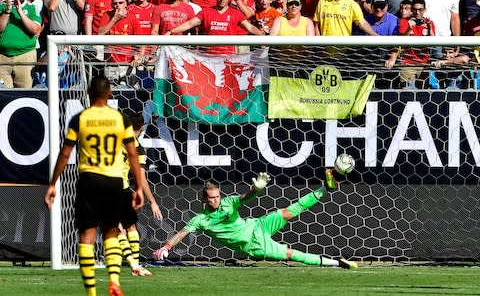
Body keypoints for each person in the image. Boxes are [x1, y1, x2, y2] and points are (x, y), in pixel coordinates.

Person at [44, 75, 145, 296]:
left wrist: (53, 183)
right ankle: (115, 282)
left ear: (89, 94)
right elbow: (132, 155)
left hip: (89, 180)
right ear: (109, 94)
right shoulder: (121, 119)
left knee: (87, 237)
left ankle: (91, 292)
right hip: (114, 183)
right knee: (111, 233)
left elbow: (65, 154)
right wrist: (138, 187)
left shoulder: (80, 118)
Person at [153, 172, 357, 269]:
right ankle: (336, 263)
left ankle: (325, 189)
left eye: (217, 196)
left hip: (256, 225)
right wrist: (167, 247)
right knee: (291, 254)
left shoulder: (229, 202)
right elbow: (183, 232)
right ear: (204, 199)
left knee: (288, 211)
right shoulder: (201, 220)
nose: (216, 200)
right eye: (211, 197)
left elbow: (245, 197)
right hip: (254, 244)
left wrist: (256, 189)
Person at [118, 112, 163, 277]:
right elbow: (141, 178)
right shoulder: (138, 148)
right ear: (141, 128)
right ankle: (135, 266)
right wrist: (152, 201)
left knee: (120, 229)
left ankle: (134, 266)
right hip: (121, 188)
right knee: (129, 227)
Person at [165, 0, 264, 54]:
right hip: (210, 55)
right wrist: (171, 31)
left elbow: (250, 27)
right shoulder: (206, 12)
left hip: (229, 56)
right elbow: (190, 23)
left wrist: (262, 36)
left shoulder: (235, 13)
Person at [385, 0, 435, 88]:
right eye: (415, 10)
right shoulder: (405, 21)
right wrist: (409, 29)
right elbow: (401, 42)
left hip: (424, 63)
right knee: (406, 94)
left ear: (425, 10)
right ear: (412, 10)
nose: (417, 12)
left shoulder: (429, 23)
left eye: (420, 10)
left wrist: (430, 28)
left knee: (423, 94)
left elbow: (433, 43)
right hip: (407, 64)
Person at [98, 0, 142, 84]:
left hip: (128, 63)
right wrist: (115, 19)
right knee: (112, 93)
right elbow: (100, 34)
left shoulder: (132, 17)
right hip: (111, 63)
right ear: (111, 5)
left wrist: (137, 58)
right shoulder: (107, 15)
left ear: (126, 4)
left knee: (129, 92)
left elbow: (140, 41)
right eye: (115, 3)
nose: (118, 5)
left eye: (120, 3)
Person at [0, 0, 42, 88]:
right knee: (3, 95)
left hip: (25, 56)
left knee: (24, 95)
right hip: (2, 57)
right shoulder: (1, 6)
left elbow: (35, 29)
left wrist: (20, 12)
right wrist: (7, 10)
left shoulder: (32, 7)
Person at [312, 0, 378, 36]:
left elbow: (362, 23)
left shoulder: (352, 4)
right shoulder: (322, 2)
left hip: (344, 49)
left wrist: (375, 36)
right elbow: (316, 25)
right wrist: (319, 44)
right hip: (325, 51)